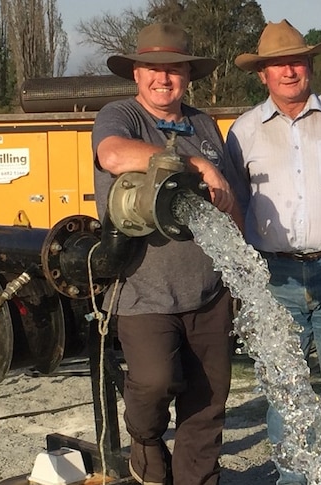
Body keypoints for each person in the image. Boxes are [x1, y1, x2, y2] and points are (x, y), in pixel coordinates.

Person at [223, 19, 321, 485]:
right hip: (276, 276)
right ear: (262, 75)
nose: (288, 71)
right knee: (284, 390)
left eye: (296, 61)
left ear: (310, 65)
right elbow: (236, 203)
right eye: (277, 65)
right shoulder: (244, 132)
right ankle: (293, 478)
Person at [91, 23, 243, 485]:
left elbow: (230, 194)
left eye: (174, 70)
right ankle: (147, 457)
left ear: (187, 76)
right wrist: (195, 164)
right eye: (153, 69)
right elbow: (114, 156)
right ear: (136, 74)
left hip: (208, 292)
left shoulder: (203, 123)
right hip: (143, 291)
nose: (164, 79)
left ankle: (198, 480)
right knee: (155, 384)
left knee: (208, 401)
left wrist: (240, 255)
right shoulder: (120, 116)